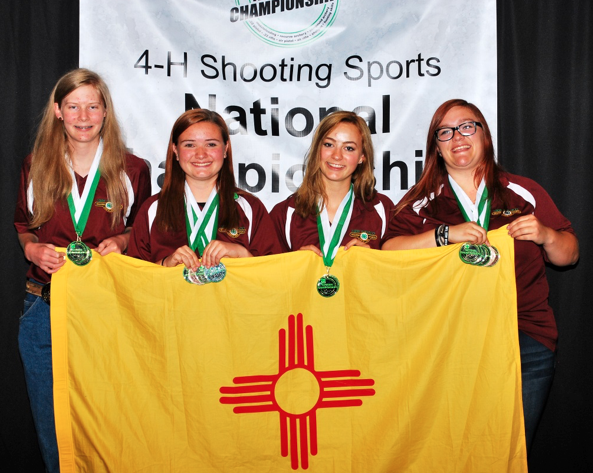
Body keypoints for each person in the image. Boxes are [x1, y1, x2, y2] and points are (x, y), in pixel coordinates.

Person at [382, 99, 579, 454]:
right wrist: (444, 235)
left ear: (485, 136)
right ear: (437, 148)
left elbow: (570, 255)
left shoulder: (522, 192)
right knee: (455, 452)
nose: (457, 136)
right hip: (449, 342)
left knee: (510, 452)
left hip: (525, 339)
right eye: (445, 131)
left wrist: (547, 234)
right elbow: (388, 253)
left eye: (467, 126)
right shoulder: (423, 201)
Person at [14, 68, 151, 472]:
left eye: (93, 105)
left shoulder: (133, 168)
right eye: (73, 106)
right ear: (58, 111)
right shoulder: (36, 164)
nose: (83, 115)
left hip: (107, 308)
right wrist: (32, 249)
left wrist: (123, 241)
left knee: (109, 417)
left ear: (105, 112)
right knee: (52, 423)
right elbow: (23, 224)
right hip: (45, 308)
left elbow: (139, 229)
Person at [127, 109, 280, 271]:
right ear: (176, 151)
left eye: (211, 144)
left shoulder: (250, 208)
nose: (201, 154)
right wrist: (165, 264)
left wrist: (243, 254)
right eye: (190, 145)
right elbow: (133, 280)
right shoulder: (152, 210)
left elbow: (275, 277)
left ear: (226, 148)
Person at [270, 111, 394, 282]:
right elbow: (265, 278)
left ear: (362, 157)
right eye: (329, 144)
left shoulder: (382, 209)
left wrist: (374, 261)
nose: (337, 155)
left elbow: (400, 274)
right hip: (304, 309)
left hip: (360, 308)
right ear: (317, 149)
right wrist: (291, 265)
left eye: (349, 148)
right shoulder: (285, 213)